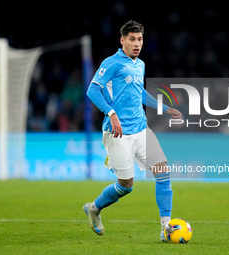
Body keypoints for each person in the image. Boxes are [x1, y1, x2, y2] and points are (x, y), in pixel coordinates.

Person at [84, 20, 182, 241]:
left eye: (140, 39)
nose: (137, 43)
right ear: (122, 40)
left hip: (141, 129)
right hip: (117, 133)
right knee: (126, 186)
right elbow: (93, 89)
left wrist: (165, 108)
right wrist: (111, 113)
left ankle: (166, 229)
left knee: (163, 172)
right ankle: (94, 208)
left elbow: (140, 93)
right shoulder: (112, 63)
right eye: (132, 39)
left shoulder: (140, 64)